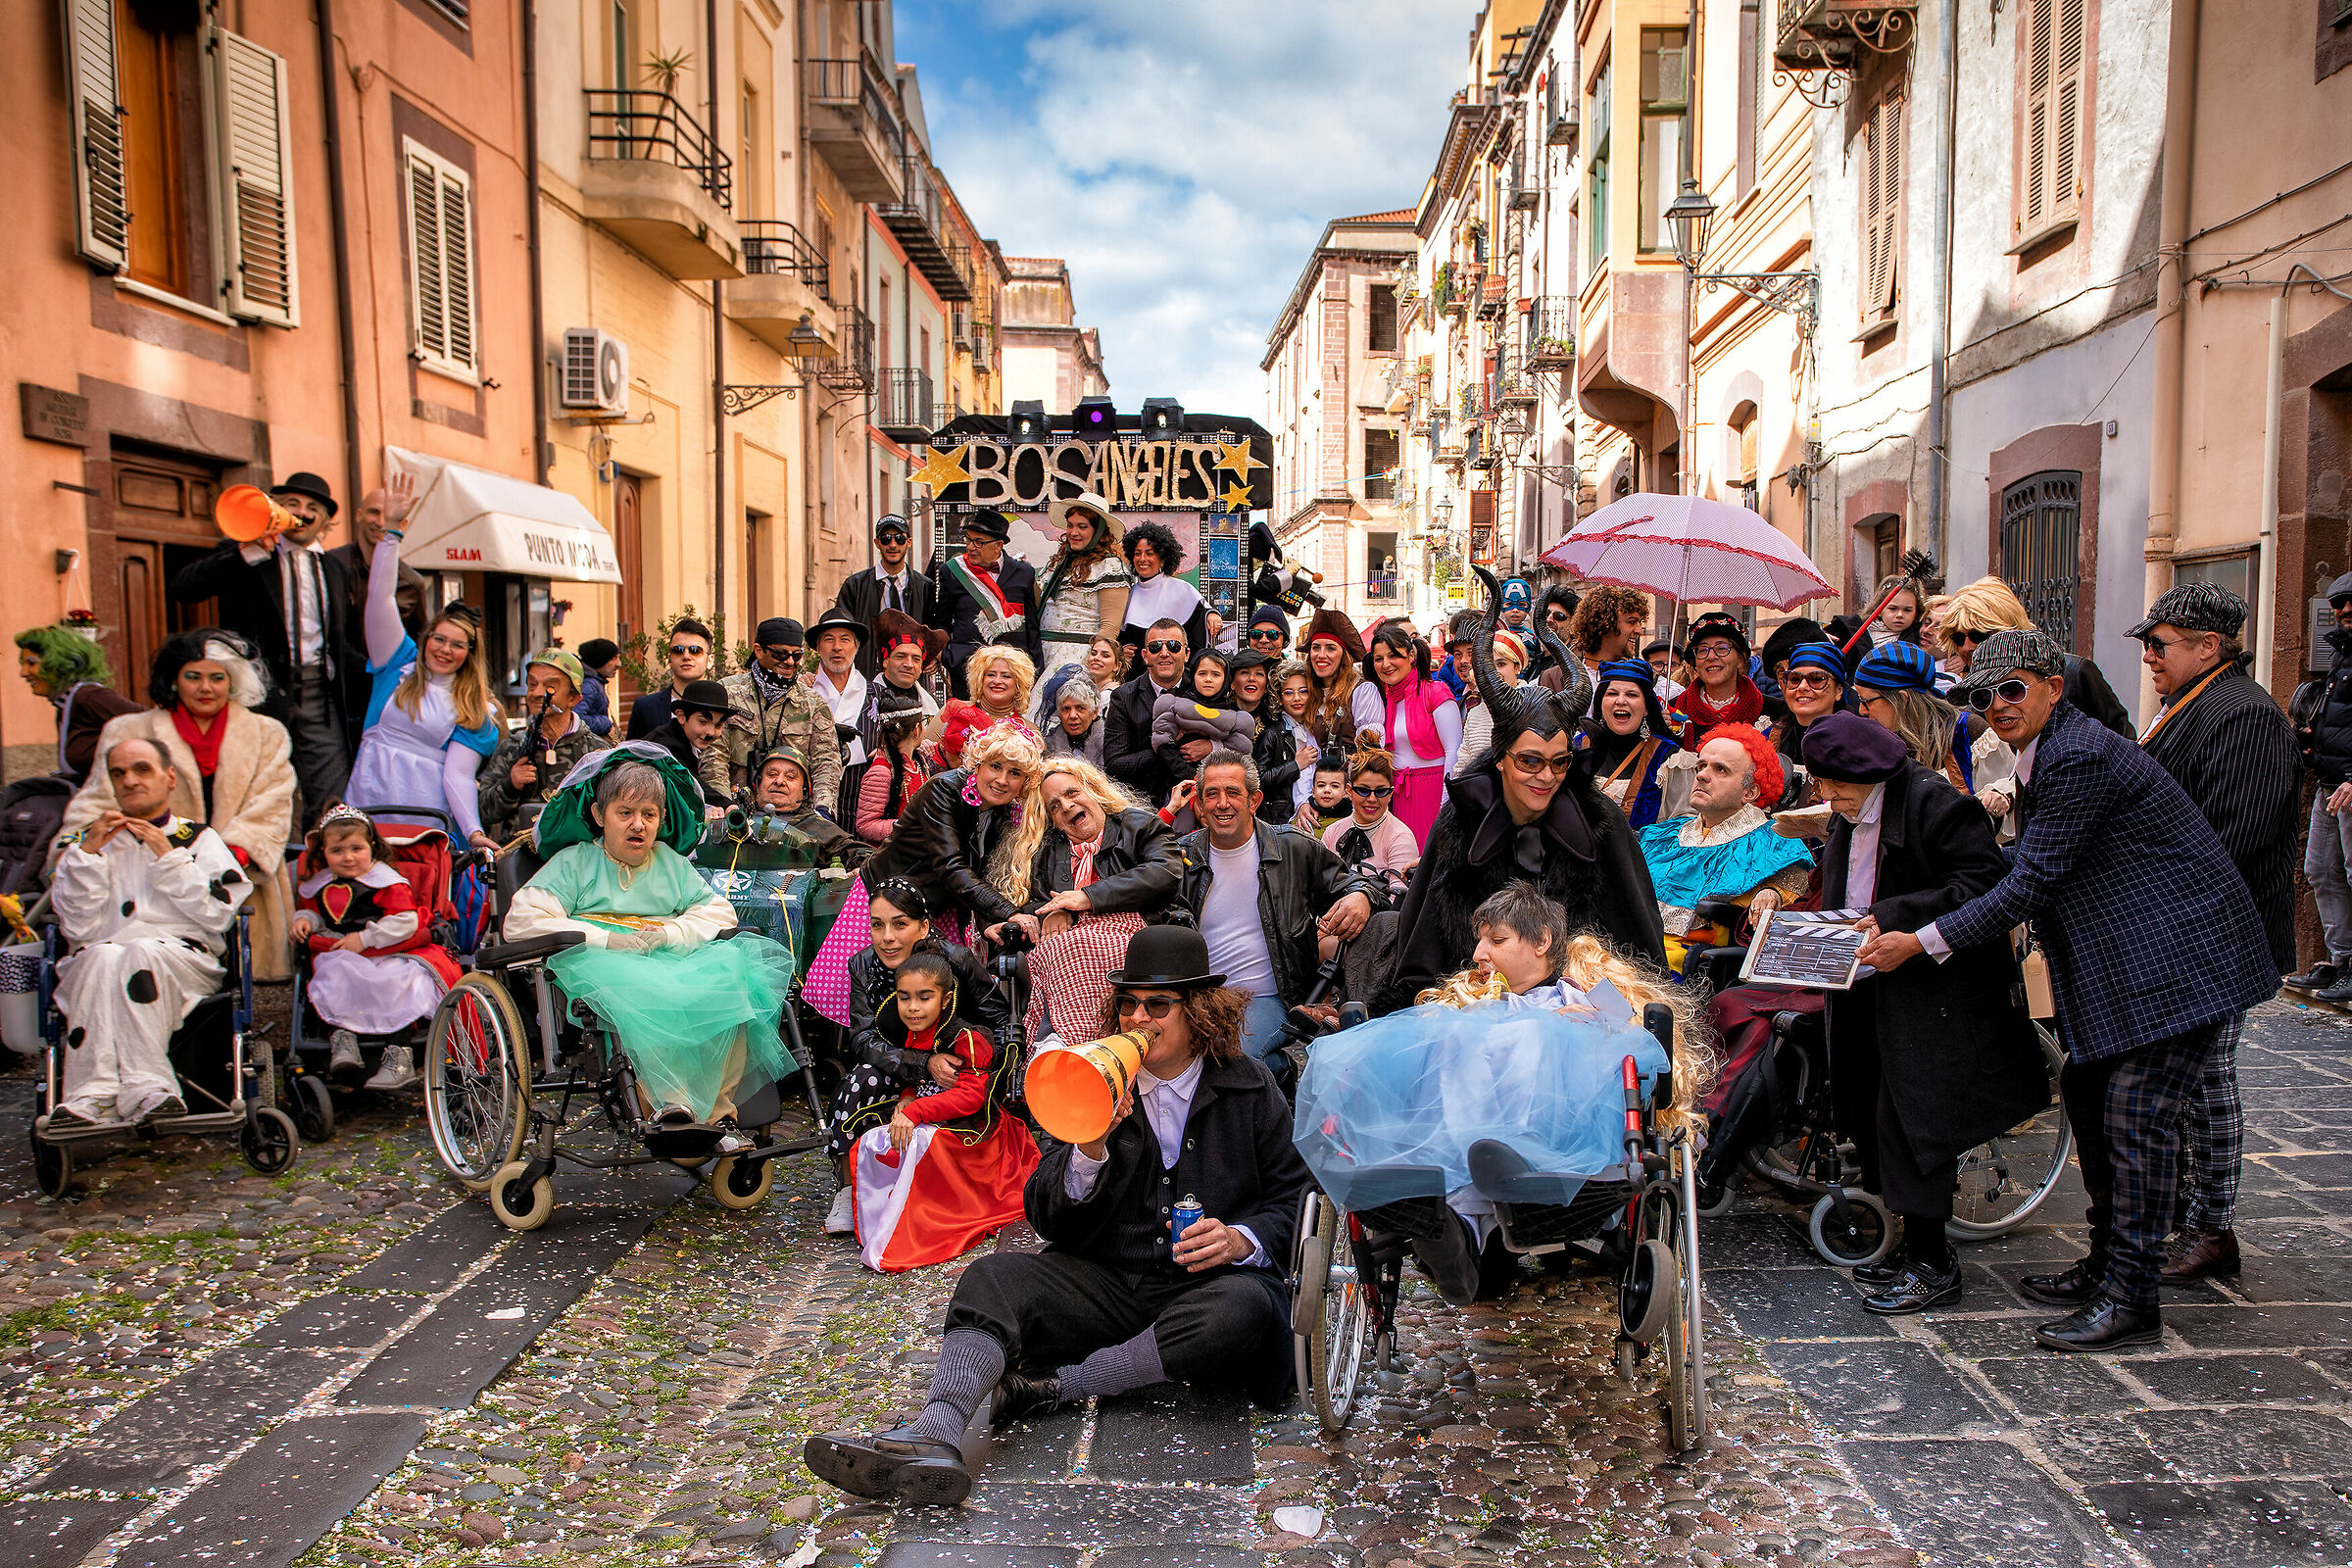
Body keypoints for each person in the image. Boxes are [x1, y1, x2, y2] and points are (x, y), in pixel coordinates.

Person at [1855, 630, 2278, 1352]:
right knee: (2089, 1093)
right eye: (1984, 697)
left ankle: (2130, 1294)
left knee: (2132, 1117)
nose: (1998, 707)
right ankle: (2108, 1264)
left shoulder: (2077, 752)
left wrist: (1923, 940)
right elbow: (2036, 859)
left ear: (2054, 685)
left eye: (2013, 689)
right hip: (2142, 959)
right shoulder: (2044, 751)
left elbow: (2031, 881)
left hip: (2181, 962)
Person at [803, 925, 1314, 1506]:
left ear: (1199, 1011)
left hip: (1204, 1291)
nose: (1137, 1019)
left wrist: (1241, 1241)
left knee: (1242, 1310)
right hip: (1108, 1278)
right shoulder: (1090, 1079)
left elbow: (1293, 1198)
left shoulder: (1251, 1088)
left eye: (1157, 1005)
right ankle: (935, 1432)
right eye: (1127, 1002)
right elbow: (1043, 1211)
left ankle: (1048, 1389)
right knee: (991, 1279)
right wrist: (1088, 1149)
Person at [1799, 714, 2048, 1314]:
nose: (1826, 799)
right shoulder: (1851, 809)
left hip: (1932, 992)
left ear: (1870, 775)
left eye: (1834, 788)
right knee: (1864, 1104)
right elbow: (1848, 884)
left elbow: (1986, 886)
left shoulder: (1936, 806)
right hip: (1863, 980)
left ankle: (1935, 1261)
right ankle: (1912, 1247)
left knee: (1911, 1120)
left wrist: (1900, 918)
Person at [1380, 573, 1667, 1008]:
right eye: (1530, 761)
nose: (1546, 777)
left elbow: (1633, 955)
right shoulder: (1462, 822)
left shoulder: (1599, 825)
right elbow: (1425, 955)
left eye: (1559, 763)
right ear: (1500, 759)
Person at [2131, 584, 2300, 1282]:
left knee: (2205, 1083)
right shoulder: (2194, 703)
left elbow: (2236, 838)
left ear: (2209, 646)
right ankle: (2181, 1214)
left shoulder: (2246, 716)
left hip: (2218, 932)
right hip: (2184, 923)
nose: (2148, 658)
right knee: (2183, 1082)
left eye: (2159, 644)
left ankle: (2211, 1227)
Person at [504, 748, 796, 1132]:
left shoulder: (669, 862)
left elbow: (718, 911)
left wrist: (671, 932)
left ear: (660, 820)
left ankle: (719, 1113)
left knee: (734, 980)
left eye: (649, 815)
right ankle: (670, 1102)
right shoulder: (575, 863)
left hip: (665, 954)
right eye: (625, 813)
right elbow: (522, 919)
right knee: (657, 992)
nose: (638, 825)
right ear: (598, 816)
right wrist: (606, 939)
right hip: (602, 961)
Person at [60, 632, 297, 981]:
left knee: (242, 980)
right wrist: (79, 848)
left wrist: (230, 854)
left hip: (238, 871)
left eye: (217, 677)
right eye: (193, 676)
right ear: (173, 678)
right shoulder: (127, 730)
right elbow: (98, 798)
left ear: (233, 680)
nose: (206, 688)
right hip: (142, 881)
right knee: (136, 966)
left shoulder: (267, 732)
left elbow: (273, 800)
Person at [42, 738, 253, 1128]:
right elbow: (76, 927)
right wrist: (87, 859)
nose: (130, 780)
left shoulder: (198, 839)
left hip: (182, 960)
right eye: (119, 773)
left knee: (139, 950)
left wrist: (169, 857)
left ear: (169, 777)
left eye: (142, 769)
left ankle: (147, 1087)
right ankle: (92, 1095)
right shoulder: (87, 844)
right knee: (105, 955)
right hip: (99, 962)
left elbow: (218, 914)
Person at [1163, 750, 1373, 1071]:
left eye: (1233, 792)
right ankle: (1278, 1071)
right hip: (1201, 999)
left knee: (1229, 1060)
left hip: (1270, 998)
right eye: (1212, 794)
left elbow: (1361, 885)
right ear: (1200, 803)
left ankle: (1266, 1074)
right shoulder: (1182, 858)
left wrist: (1361, 897)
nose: (1222, 803)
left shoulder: (1292, 848)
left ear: (1254, 800)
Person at [826, 877, 1013, 1234]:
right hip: (901, 1063)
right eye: (877, 925)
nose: (887, 937)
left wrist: (984, 1069)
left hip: (960, 1067)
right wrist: (920, 1065)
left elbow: (999, 1017)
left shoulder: (955, 959)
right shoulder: (863, 966)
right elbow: (863, 1037)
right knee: (858, 1081)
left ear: (924, 926)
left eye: (900, 924)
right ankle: (848, 1185)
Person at [170, 469, 353, 823]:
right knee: (257, 793)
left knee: (331, 799)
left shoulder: (335, 568)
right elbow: (184, 589)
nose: (302, 511)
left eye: (312, 506)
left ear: (326, 520)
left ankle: (323, 872)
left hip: (320, 696)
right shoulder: (243, 554)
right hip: (261, 692)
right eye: (291, 503)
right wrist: (244, 553)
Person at [840, 950, 1040, 1272]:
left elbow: (971, 1098)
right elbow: (919, 1082)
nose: (913, 1007)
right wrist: (907, 1097)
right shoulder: (914, 1034)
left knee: (920, 1143)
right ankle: (884, 1214)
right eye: (904, 998)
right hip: (936, 1121)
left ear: (945, 1000)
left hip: (971, 1133)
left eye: (924, 997)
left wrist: (916, 1111)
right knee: (873, 1142)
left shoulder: (968, 1039)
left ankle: (919, 1221)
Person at [344, 523, 500, 852]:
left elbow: (457, 776)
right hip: (368, 801)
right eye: (439, 639)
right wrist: (390, 537)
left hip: (425, 818)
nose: (445, 649)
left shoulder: (476, 711)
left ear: (470, 654)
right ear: (426, 638)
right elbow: (380, 597)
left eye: (457, 645)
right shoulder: (396, 665)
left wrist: (473, 832)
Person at [290, 803, 459, 1090]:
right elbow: (315, 910)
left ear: (371, 845)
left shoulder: (386, 882)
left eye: (356, 849)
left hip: (384, 947)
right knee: (333, 971)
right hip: (341, 950)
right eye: (337, 851)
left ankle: (400, 1052)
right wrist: (304, 919)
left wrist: (365, 938)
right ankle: (343, 1039)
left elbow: (405, 922)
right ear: (323, 853)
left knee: (401, 978)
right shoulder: (319, 884)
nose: (348, 858)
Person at [1636, 725, 1815, 975]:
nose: (1702, 776)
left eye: (1720, 770)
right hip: (1633, 942)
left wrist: (1770, 893)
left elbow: (1790, 891)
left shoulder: (1776, 841)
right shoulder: (1665, 834)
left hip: (1686, 964)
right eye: (1701, 766)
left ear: (1750, 791)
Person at [1002, 757, 1181, 941]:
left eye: (1072, 793)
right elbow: (1027, 904)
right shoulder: (1046, 851)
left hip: (1143, 941)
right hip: (1070, 947)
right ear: (1052, 821)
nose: (1066, 806)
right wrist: (1054, 912)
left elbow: (1166, 873)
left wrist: (1087, 897)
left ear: (1093, 790)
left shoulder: (1139, 826)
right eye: (1054, 806)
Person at [1936, 577, 2133, 737]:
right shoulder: (1966, 692)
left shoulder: (2075, 673)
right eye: (1958, 638)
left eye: (1979, 636)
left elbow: (2122, 738)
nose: (1967, 647)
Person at [328, 480, 429, 751]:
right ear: (358, 515)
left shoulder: (412, 582)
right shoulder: (330, 566)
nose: (380, 520)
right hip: (334, 693)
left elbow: (421, 644)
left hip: (383, 699)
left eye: (388, 515)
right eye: (374, 512)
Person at [479, 649, 614, 845]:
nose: (536, 693)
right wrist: (511, 785)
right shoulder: (512, 747)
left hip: (578, 860)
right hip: (520, 861)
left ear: (573, 698)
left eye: (550, 687)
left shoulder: (596, 752)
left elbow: (612, 815)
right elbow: (484, 812)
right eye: (532, 684)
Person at [1350, 621, 1462, 847]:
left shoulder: (1435, 691)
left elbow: (1454, 750)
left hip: (1434, 793)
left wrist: (1445, 802)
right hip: (1397, 795)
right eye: (1379, 658)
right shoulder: (1382, 698)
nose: (1386, 664)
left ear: (1411, 655)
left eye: (1394, 656)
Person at [720, 618, 843, 811]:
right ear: (759, 651)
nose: (789, 662)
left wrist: (823, 810)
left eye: (797, 655)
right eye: (780, 654)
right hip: (735, 811)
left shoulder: (813, 703)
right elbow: (714, 757)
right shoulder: (727, 693)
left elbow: (826, 761)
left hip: (796, 815)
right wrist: (724, 805)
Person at [2297, 572, 2352, 1002]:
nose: (2344, 612)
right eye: (2338, 606)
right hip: (2329, 783)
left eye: (2351, 604)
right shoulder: (2340, 657)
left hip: (2349, 785)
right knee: (2321, 870)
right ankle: (2342, 960)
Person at [1031, 493, 1133, 713]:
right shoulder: (1059, 563)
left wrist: (1093, 665)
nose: (1073, 533)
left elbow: (1109, 628)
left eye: (1082, 526)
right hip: (1041, 652)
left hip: (1076, 656)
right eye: (1070, 525)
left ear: (1098, 531)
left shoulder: (1109, 567)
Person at [930, 512, 1042, 695]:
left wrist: (1036, 671)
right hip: (967, 669)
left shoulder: (1024, 573)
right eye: (969, 540)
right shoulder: (952, 571)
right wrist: (949, 658)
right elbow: (941, 622)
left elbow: (1032, 628)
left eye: (979, 542)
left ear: (999, 545)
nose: (971, 548)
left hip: (1012, 674)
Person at [14, 625, 140, 784]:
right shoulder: (66, 704)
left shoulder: (89, 697)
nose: (23, 672)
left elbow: (151, 723)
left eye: (31, 663)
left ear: (59, 664)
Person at [1579, 658, 1690, 831]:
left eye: (1631, 694)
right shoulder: (1577, 747)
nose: (1621, 701)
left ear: (1646, 707)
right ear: (1601, 702)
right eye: (1612, 693)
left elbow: (1682, 826)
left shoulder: (1669, 758)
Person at [1852, 641, 1973, 792]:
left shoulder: (1966, 729)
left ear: (1902, 700)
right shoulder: (1880, 741)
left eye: (1866, 701)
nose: (1861, 710)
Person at [831, 514, 932, 680]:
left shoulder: (925, 587)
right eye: (886, 539)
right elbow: (841, 631)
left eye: (899, 539)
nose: (893, 545)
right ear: (877, 543)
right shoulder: (855, 586)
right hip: (865, 676)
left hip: (910, 677)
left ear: (909, 542)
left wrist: (931, 658)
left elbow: (932, 630)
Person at [1103, 619, 1194, 805]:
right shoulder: (1124, 697)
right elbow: (1114, 764)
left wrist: (1212, 747)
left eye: (1174, 646)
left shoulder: (1202, 689)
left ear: (1186, 654)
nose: (1164, 653)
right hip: (1144, 805)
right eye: (1155, 647)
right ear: (1145, 655)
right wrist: (1163, 748)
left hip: (1197, 803)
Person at [1322, 745, 1417, 900]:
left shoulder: (1400, 838)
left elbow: (1398, 903)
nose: (1372, 799)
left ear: (1391, 793)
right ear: (1350, 791)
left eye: (1380, 791)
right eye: (1363, 790)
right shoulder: (1333, 832)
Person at [856, 611, 946, 770]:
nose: (909, 664)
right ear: (885, 661)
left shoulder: (934, 706)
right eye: (900, 656)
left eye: (916, 659)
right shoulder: (861, 699)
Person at [747, 745, 862, 868]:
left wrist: (855, 871)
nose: (779, 781)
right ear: (757, 783)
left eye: (790, 777)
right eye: (772, 774)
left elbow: (864, 856)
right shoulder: (739, 817)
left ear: (805, 790)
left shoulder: (817, 826)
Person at [1668, 612, 1770, 746]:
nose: (1711, 657)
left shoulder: (1771, 712)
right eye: (1702, 650)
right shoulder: (1673, 710)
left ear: (1741, 659)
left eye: (1722, 648)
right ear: (1695, 663)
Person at [1152, 651, 1253, 782]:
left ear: (1226, 679)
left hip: (1219, 784)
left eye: (1216, 674)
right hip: (1177, 783)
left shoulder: (1238, 719)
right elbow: (1163, 745)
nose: (1208, 679)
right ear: (1193, 676)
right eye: (1202, 674)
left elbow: (1239, 755)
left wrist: (1214, 746)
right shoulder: (1173, 705)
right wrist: (1193, 778)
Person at [808, 609, 870, 814]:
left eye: (845, 640)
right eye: (828, 640)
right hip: (812, 796)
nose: (837, 648)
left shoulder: (876, 694)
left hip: (863, 799)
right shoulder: (803, 693)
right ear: (817, 647)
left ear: (857, 645)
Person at [1118, 520, 1208, 659]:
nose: (1142, 559)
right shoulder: (1128, 593)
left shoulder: (1183, 590)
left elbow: (1199, 631)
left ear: (1163, 559)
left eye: (1149, 554)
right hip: (1136, 675)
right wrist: (1121, 650)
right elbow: (1121, 636)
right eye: (1137, 554)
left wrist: (1212, 614)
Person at [640, 678, 735, 808]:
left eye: (718, 725)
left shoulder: (685, 740)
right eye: (703, 721)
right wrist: (726, 805)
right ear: (681, 717)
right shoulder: (666, 747)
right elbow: (688, 782)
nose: (711, 732)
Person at [857, 693, 933, 847]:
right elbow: (865, 825)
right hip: (890, 858)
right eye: (924, 722)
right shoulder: (881, 772)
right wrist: (908, 826)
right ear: (917, 729)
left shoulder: (917, 762)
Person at [625, 617, 715, 741]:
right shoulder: (645, 708)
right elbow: (631, 754)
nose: (686, 656)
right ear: (669, 659)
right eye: (678, 650)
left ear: (709, 660)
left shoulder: (727, 706)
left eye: (695, 651)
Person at [1772, 642, 1848, 781]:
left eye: (1817, 679)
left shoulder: (1852, 745)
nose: (1802, 687)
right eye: (1794, 679)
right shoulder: (1772, 738)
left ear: (1839, 691)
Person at [1458, 628, 1534, 765]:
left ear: (1517, 667)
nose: (1494, 672)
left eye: (1501, 664)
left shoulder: (1535, 705)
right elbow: (1463, 764)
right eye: (1488, 665)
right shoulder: (1474, 713)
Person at [1301, 608, 1366, 751]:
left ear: (1343, 655)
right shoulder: (1308, 692)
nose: (1321, 655)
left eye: (1331, 648)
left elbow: (1370, 748)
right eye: (1316, 647)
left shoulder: (1362, 691)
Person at [1269, 659, 1321, 820]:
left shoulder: (1319, 729)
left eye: (1303, 691)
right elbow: (1260, 778)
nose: (1296, 698)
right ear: (1279, 698)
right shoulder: (1273, 734)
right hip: (1282, 818)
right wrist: (1296, 765)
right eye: (1289, 693)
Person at [1567, 586, 1650, 677]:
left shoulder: (1638, 678)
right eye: (1632, 622)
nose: (1640, 631)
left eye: (1640, 623)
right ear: (1605, 622)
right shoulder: (1557, 677)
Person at [1044, 676, 1106, 766]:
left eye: (1080, 708)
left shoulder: (1109, 743)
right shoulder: (1049, 746)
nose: (1073, 715)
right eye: (1066, 709)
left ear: (1094, 713)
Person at [1293, 748, 1351, 837]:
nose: (1327, 790)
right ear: (1313, 791)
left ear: (1346, 792)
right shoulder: (1301, 821)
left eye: (1334, 786)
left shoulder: (1353, 822)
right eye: (1321, 785)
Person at [575, 638, 621, 738]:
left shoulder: (594, 682)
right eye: (614, 658)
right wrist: (606, 723)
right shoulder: (588, 685)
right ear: (599, 660)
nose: (618, 664)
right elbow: (578, 720)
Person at [1868, 576, 1927, 649]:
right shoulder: (1859, 634)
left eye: (1907, 610)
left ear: (1916, 613)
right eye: (1893, 609)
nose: (1900, 615)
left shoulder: (1921, 639)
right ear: (1879, 610)